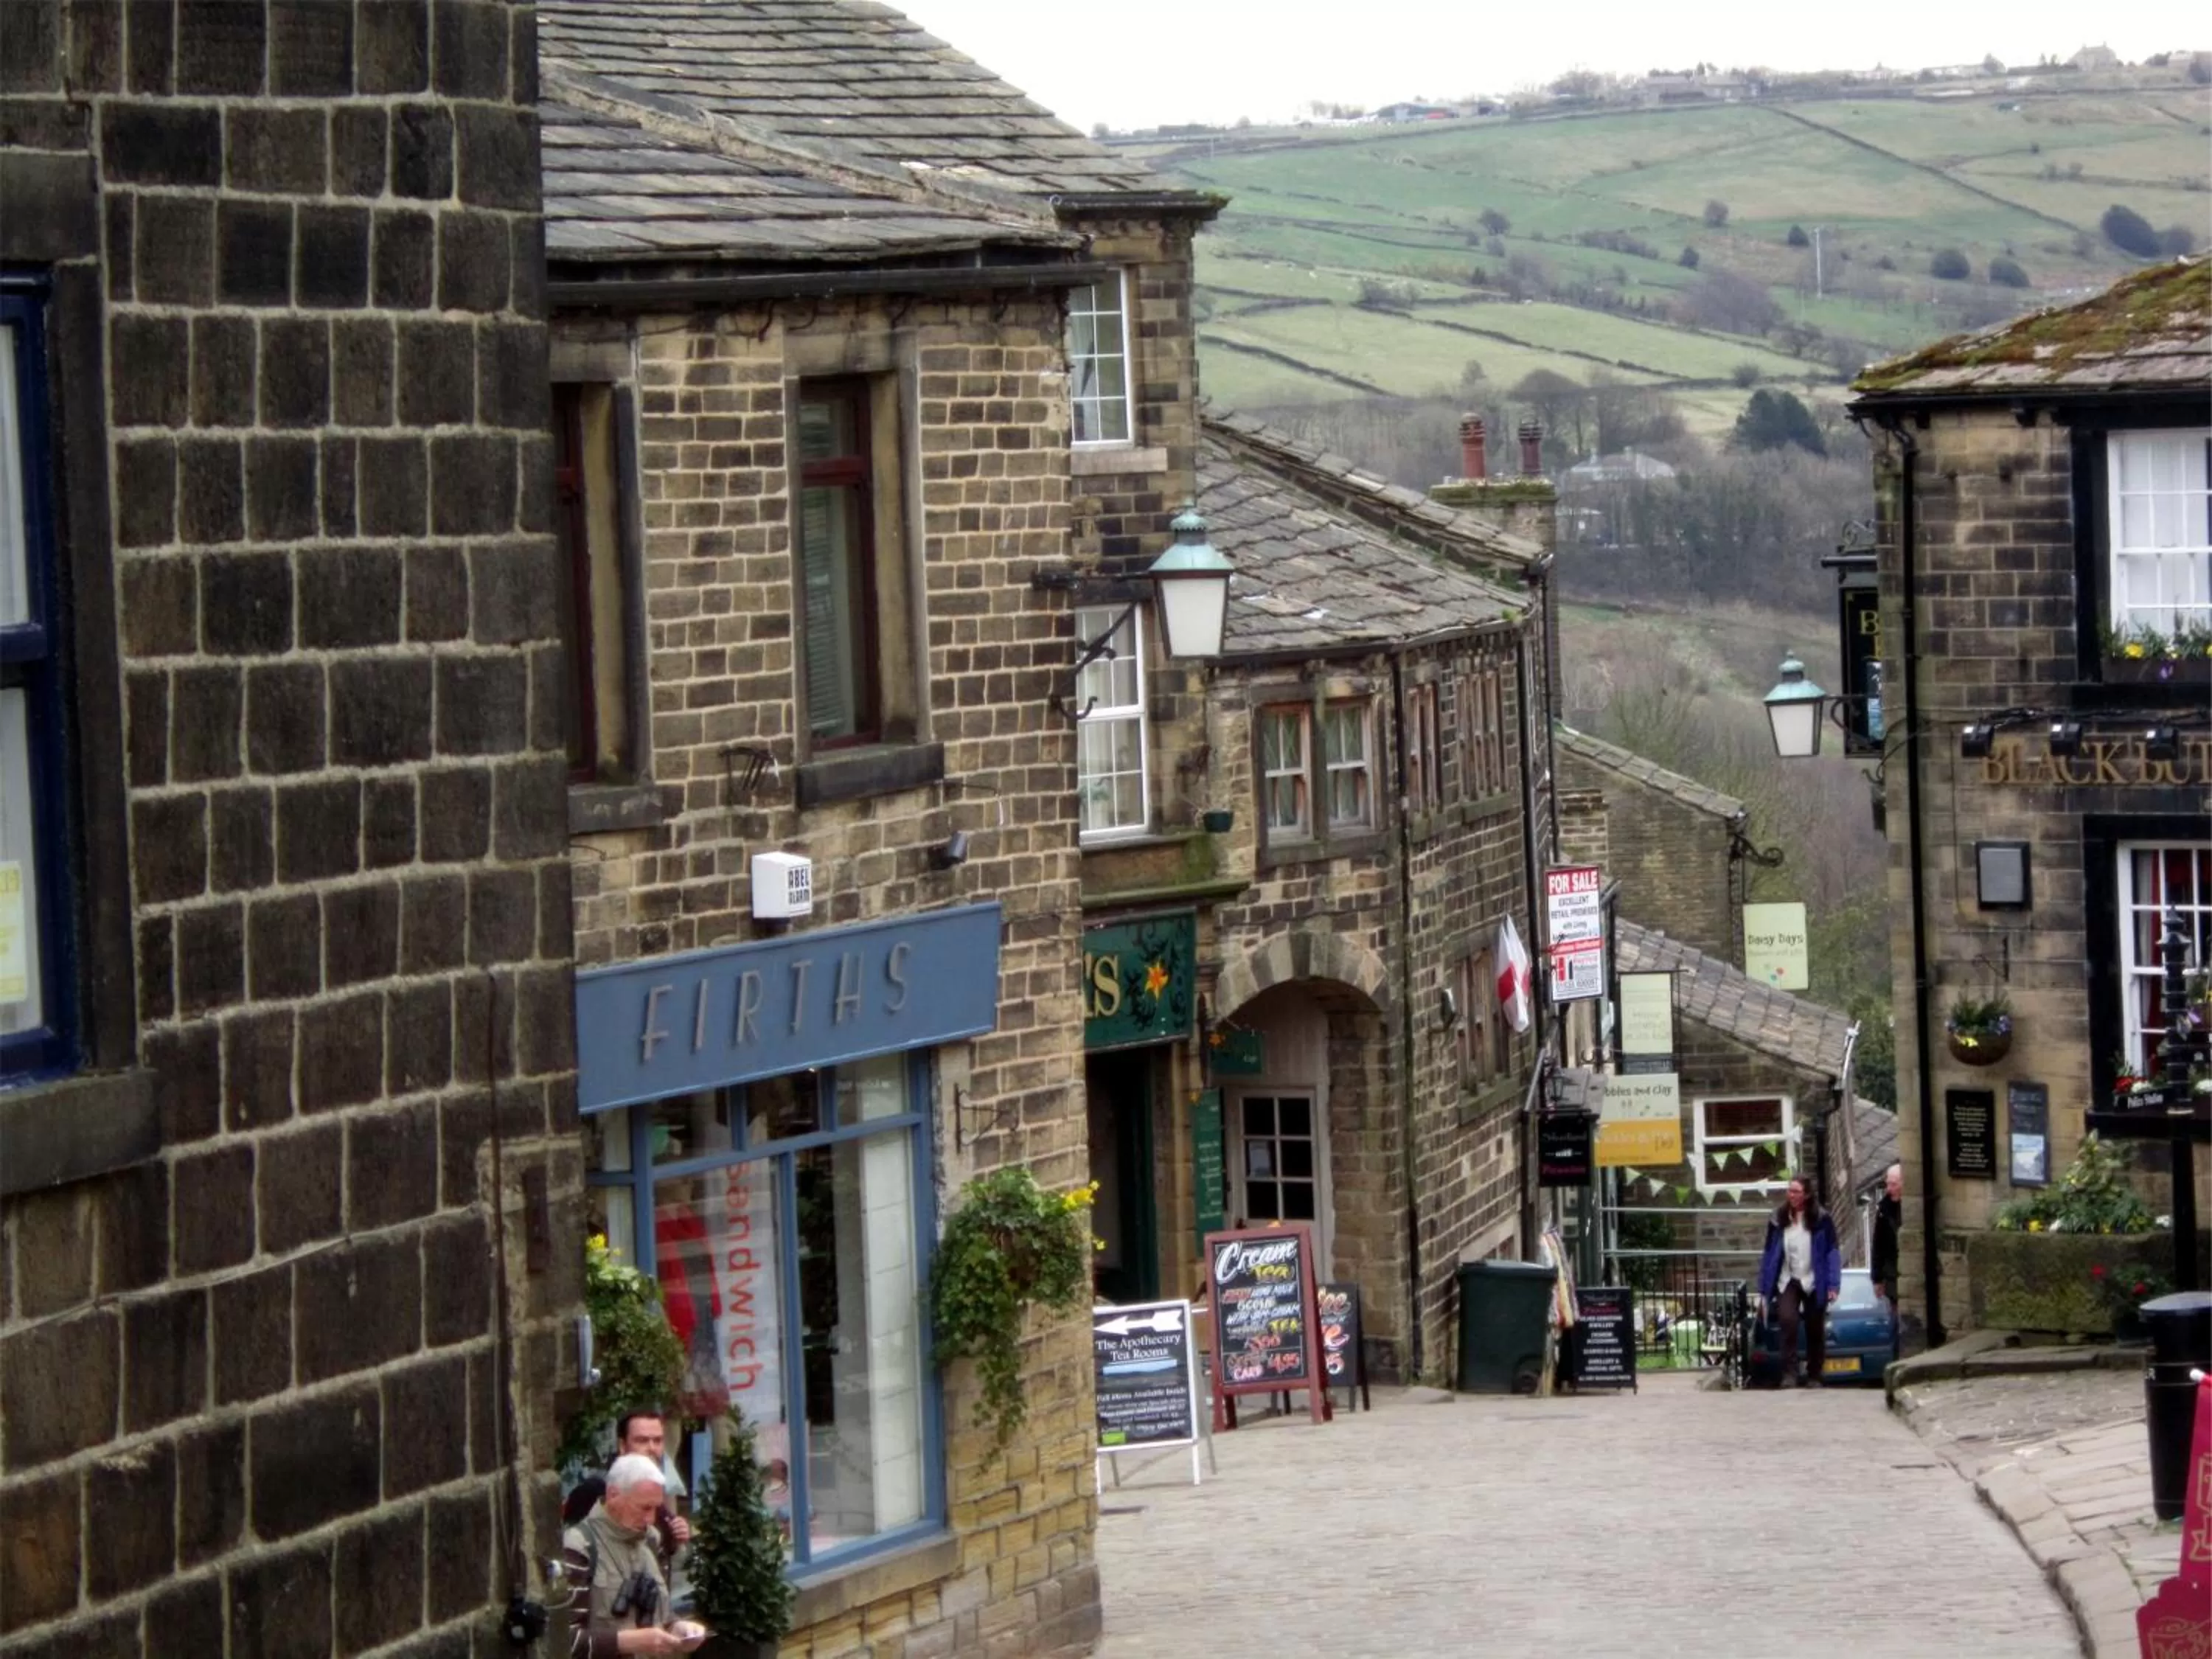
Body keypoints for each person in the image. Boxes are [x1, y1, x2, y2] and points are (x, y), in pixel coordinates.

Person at [561, 1455, 709, 1658]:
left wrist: (677, 1628)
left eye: (656, 1508)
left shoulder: (651, 1540)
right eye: (644, 1508)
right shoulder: (579, 1546)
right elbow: (562, 1641)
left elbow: (661, 1615)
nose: (650, 1519)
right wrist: (626, 1642)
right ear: (613, 1495)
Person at [1758, 1175, 1843, 1388]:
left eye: (1796, 1192)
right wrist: (1764, 1287)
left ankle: (1815, 1374)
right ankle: (1789, 1374)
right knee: (1788, 1320)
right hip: (1789, 1278)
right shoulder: (1778, 1218)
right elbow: (1769, 1254)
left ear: (1806, 1195)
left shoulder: (1822, 1219)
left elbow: (1833, 1252)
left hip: (1815, 1279)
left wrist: (1833, 1285)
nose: (1791, 1195)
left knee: (1815, 1327)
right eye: (1790, 1191)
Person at [616, 1411, 694, 1558]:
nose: (652, 1448)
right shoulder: (597, 1493)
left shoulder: (657, 1503)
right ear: (623, 1446)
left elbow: (666, 1549)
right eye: (642, 1441)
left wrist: (679, 1532)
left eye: (657, 1441)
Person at [1872, 1163, 1903, 1307]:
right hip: (1892, 1276)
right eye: (1888, 1184)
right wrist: (1877, 1279)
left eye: (1894, 1184)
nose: (1889, 1189)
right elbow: (1878, 1245)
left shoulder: (1915, 1206)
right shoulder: (1883, 1210)